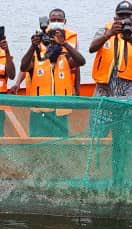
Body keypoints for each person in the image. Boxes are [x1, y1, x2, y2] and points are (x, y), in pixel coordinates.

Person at [88, 1, 132, 186]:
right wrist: (109, 34)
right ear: (115, 17)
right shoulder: (103, 31)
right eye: (120, 16)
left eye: (127, 16)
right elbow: (92, 48)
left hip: (127, 96)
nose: (124, 19)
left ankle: (120, 178)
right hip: (103, 94)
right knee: (95, 138)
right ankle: (94, 177)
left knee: (123, 140)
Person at [19, 8, 86, 136]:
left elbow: (81, 62)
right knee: (38, 144)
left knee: (60, 145)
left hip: (60, 110)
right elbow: (23, 67)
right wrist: (33, 46)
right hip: (39, 110)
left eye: (59, 20)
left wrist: (64, 44)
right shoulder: (37, 57)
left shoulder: (64, 57)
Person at [11, 8, 82, 96]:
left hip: (64, 81)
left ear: (65, 21)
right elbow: (27, 64)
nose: (56, 22)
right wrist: (17, 83)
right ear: (48, 21)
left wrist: (77, 88)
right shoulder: (40, 37)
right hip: (41, 80)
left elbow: (77, 65)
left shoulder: (72, 38)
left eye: (59, 20)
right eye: (53, 20)